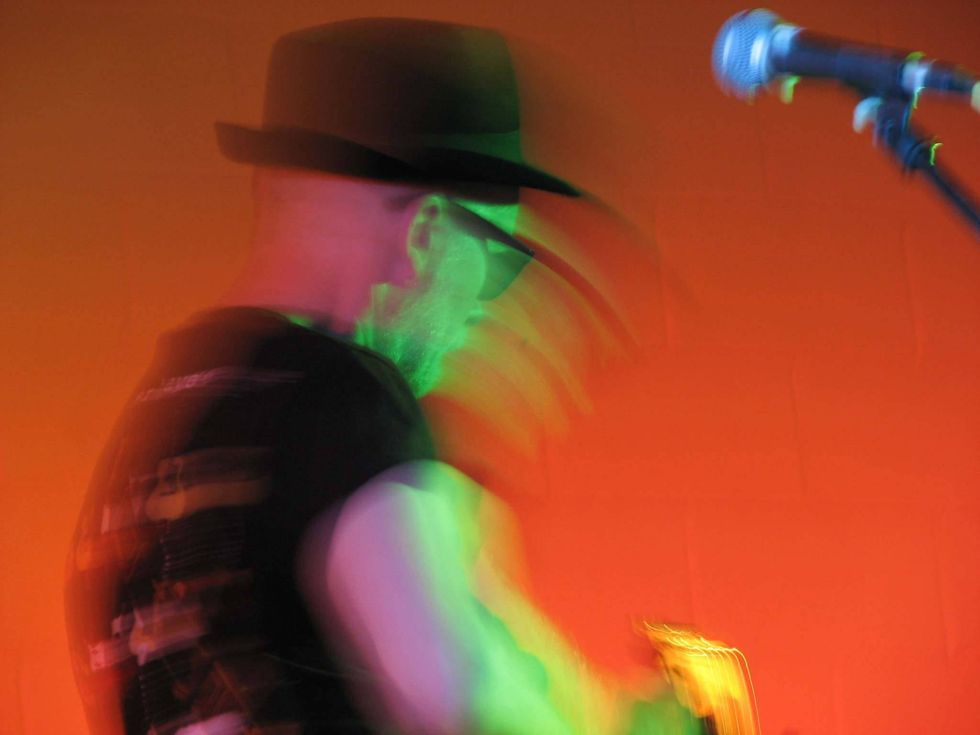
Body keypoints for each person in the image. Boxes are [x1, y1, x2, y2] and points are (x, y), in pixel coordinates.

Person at [64, 18, 706, 735]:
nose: (485, 303)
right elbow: (461, 695)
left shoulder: (163, 422)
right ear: (429, 230)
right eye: (496, 258)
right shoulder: (344, 403)